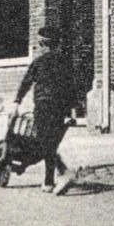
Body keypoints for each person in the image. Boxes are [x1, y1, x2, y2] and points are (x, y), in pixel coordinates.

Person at [12, 24, 80, 195]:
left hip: (43, 106)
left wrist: (17, 101)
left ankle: (62, 174)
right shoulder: (65, 62)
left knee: (45, 143)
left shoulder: (38, 63)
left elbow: (26, 83)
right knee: (51, 143)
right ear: (57, 44)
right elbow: (71, 86)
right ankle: (52, 179)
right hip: (59, 108)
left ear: (42, 44)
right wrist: (73, 110)